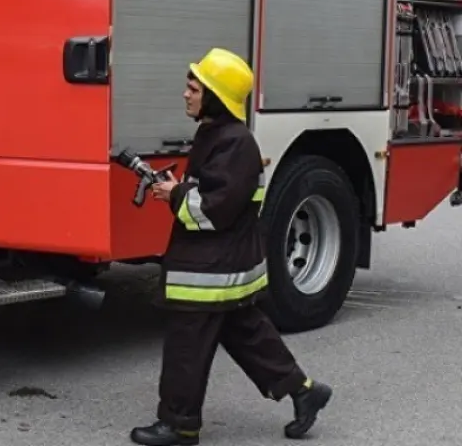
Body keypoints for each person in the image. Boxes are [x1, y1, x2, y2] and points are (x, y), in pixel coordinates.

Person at [129, 48, 333, 446]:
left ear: (215, 97)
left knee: (186, 345)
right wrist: (180, 190)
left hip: (212, 268)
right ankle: (305, 392)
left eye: (193, 88)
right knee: (248, 335)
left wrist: (174, 194)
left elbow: (213, 209)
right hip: (223, 263)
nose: (185, 95)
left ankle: (180, 425)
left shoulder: (235, 143)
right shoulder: (218, 135)